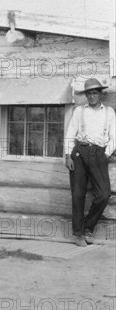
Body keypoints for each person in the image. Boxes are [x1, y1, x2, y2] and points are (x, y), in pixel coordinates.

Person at [65, 78, 115, 246]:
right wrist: (67, 155)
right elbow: (71, 133)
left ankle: (88, 227)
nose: (92, 96)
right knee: (78, 194)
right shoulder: (79, 111)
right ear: (86, 95)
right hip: (79, 152)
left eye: (95, 92)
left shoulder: (109, 112)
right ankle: (78, 234)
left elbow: (114, 138)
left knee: (103, 194)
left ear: (100, 94)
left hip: (99, 153)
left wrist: (105, 155)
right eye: (89, 93)